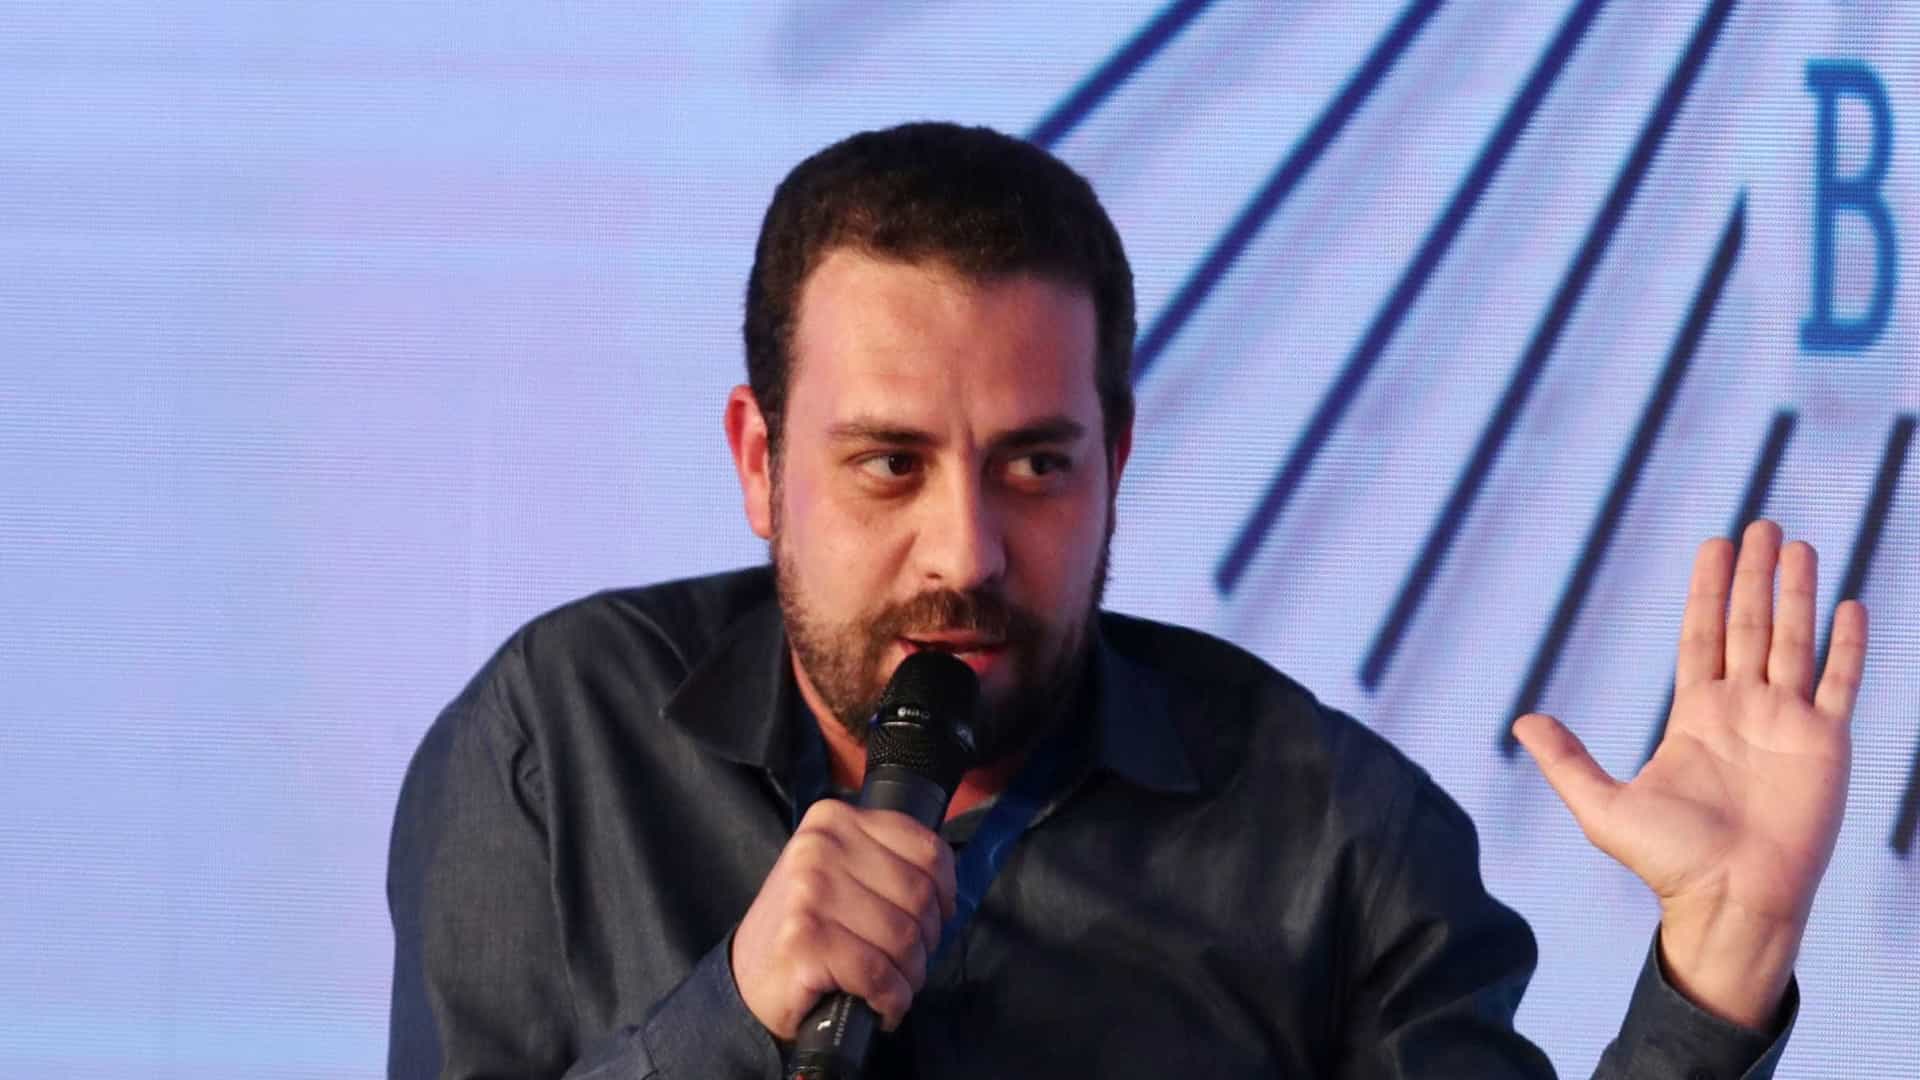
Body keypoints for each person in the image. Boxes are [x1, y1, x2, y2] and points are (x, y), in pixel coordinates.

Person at [386, 122, 1868, 1078]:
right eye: (890, 465)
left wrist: (1719, 967)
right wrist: (733, 1018)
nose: (965, 554)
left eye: (1035, 465)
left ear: (1119, 461)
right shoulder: (558, 746)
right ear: (761, 464)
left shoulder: (1336, 838)